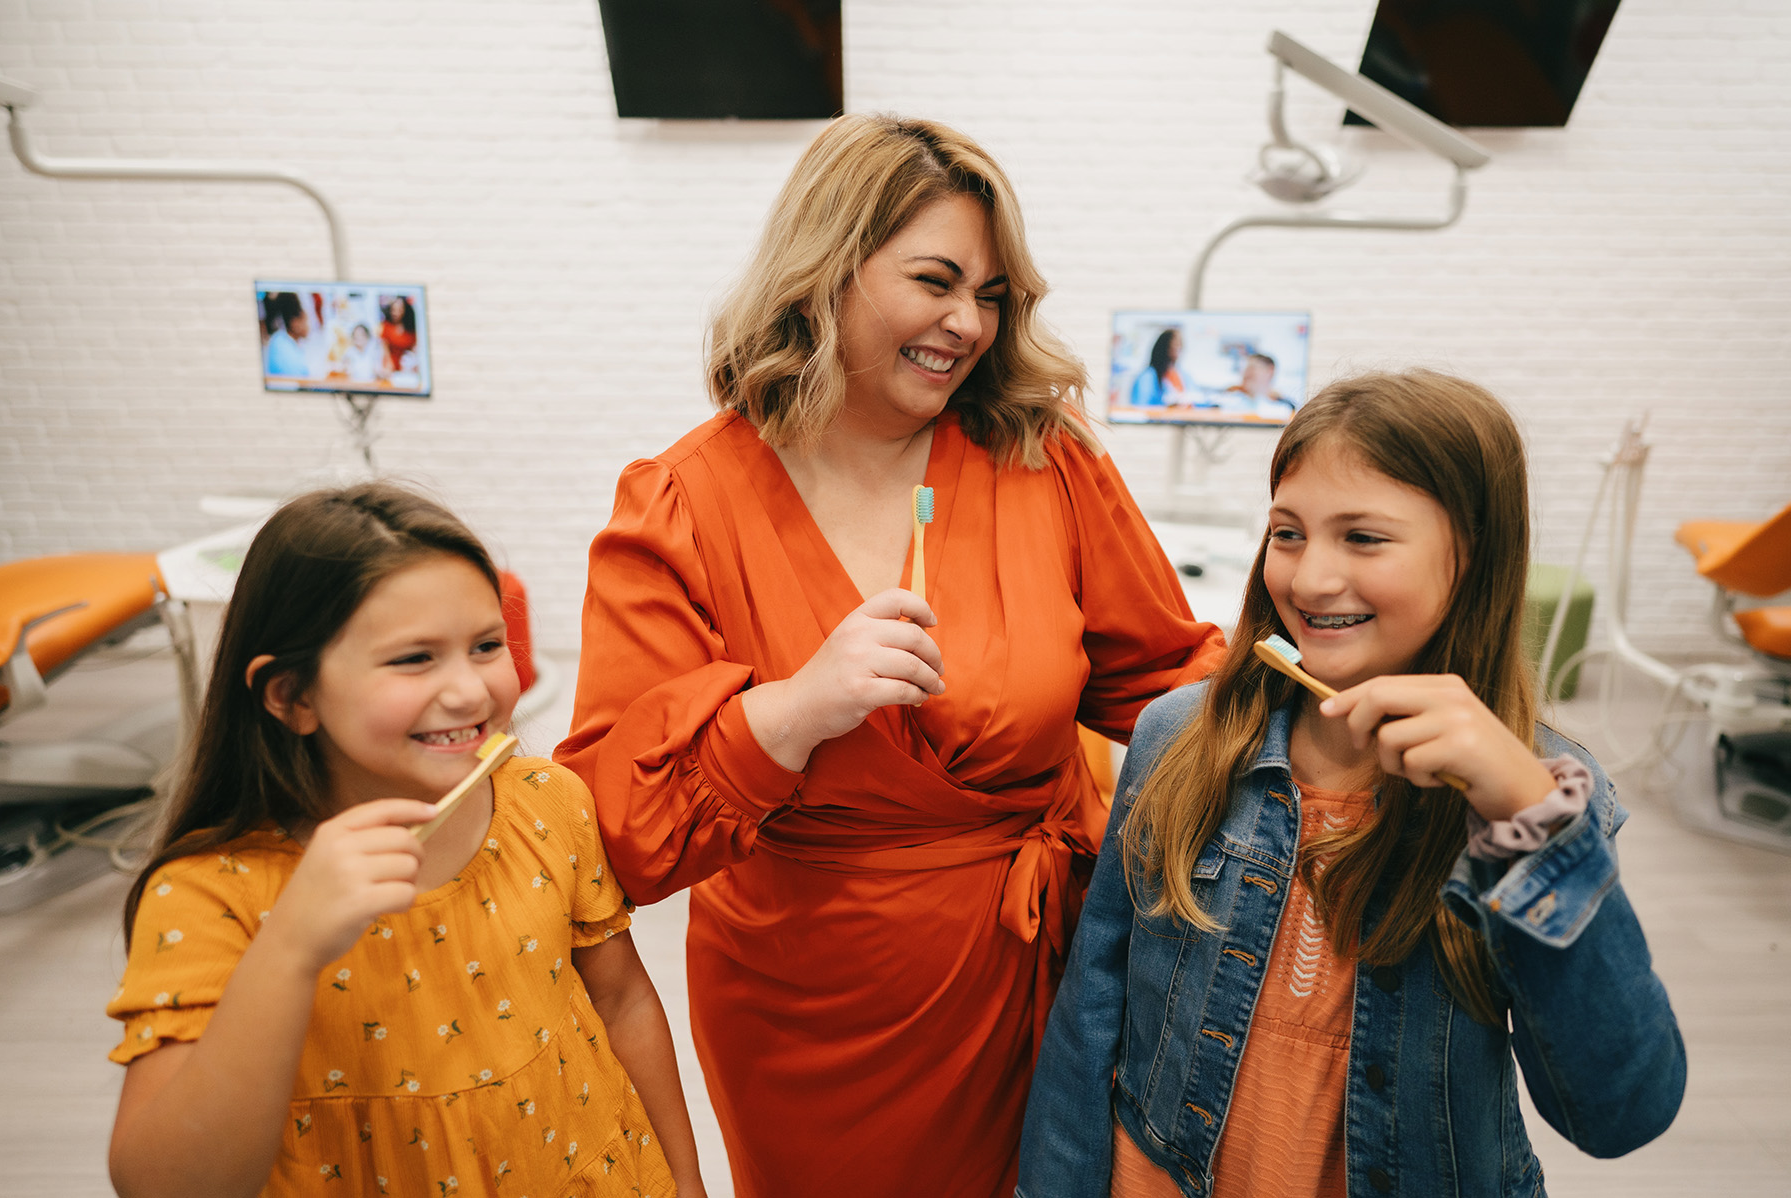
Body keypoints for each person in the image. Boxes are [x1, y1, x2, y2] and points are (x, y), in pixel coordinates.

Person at [554, 114, 1225, 1198]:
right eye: (936, 280)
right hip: (808, 1020)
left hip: (1048, 985)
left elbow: (1165, 679)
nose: (968, 323)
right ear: (827, 269)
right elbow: (619, 835)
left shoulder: (1040, 461)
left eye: (993, 295)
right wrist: (790, 712)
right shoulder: (683, 503)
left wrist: (1327, 690)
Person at [1019, 370, 1685, 1197]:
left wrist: (1531, 819)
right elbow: (1094, 1010)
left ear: (1472, 555)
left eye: (1363, 538)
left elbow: (1620, 1112)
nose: (1308, 580)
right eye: (1288, 533)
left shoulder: (1541, 793)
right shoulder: (1177, 736)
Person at [105, 482, 706, 1198]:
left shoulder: (547, 804)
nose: (470, 691)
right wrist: (291, 947)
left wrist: (685, 1180)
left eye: (487, 646)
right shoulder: (210, 895)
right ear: (291, 696)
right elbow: (163, 1184)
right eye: (415, 659)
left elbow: (622, 1003)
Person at [1127, 329, 1185, 407]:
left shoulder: (1181, 375)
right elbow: (1140, 408)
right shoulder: (1147, 377)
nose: (1178, 348)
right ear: (1165, 347)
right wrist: (1167, 407)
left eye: (1180, 345)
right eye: (1175, 345)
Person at [262, 291, 311, 378]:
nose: (309, 325)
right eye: (306, 319)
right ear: (295, 323)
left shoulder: (279, 340)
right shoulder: (283, 348)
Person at [379, 295, 418, 371]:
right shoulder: (387, 325)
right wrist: (389, 364)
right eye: (393, 310)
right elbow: (384, 348)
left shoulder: (411, 329)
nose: (395, 313)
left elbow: (414, 349)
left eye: (399, 310)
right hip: (389, 365)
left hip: (407, 366)